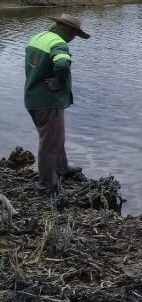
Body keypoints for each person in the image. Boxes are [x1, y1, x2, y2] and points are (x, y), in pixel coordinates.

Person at [24, 14, 90, 196]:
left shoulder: (38, 38)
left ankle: (62, 167)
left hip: (32, 97)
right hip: (48, 102)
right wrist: (60, 83)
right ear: (68, 29)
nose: (73, 38)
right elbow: (62, 63)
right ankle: (47, 186)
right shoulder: (58, 43)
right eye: (75, 34)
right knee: (50, 144)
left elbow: (34, 65)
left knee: (54, 137)